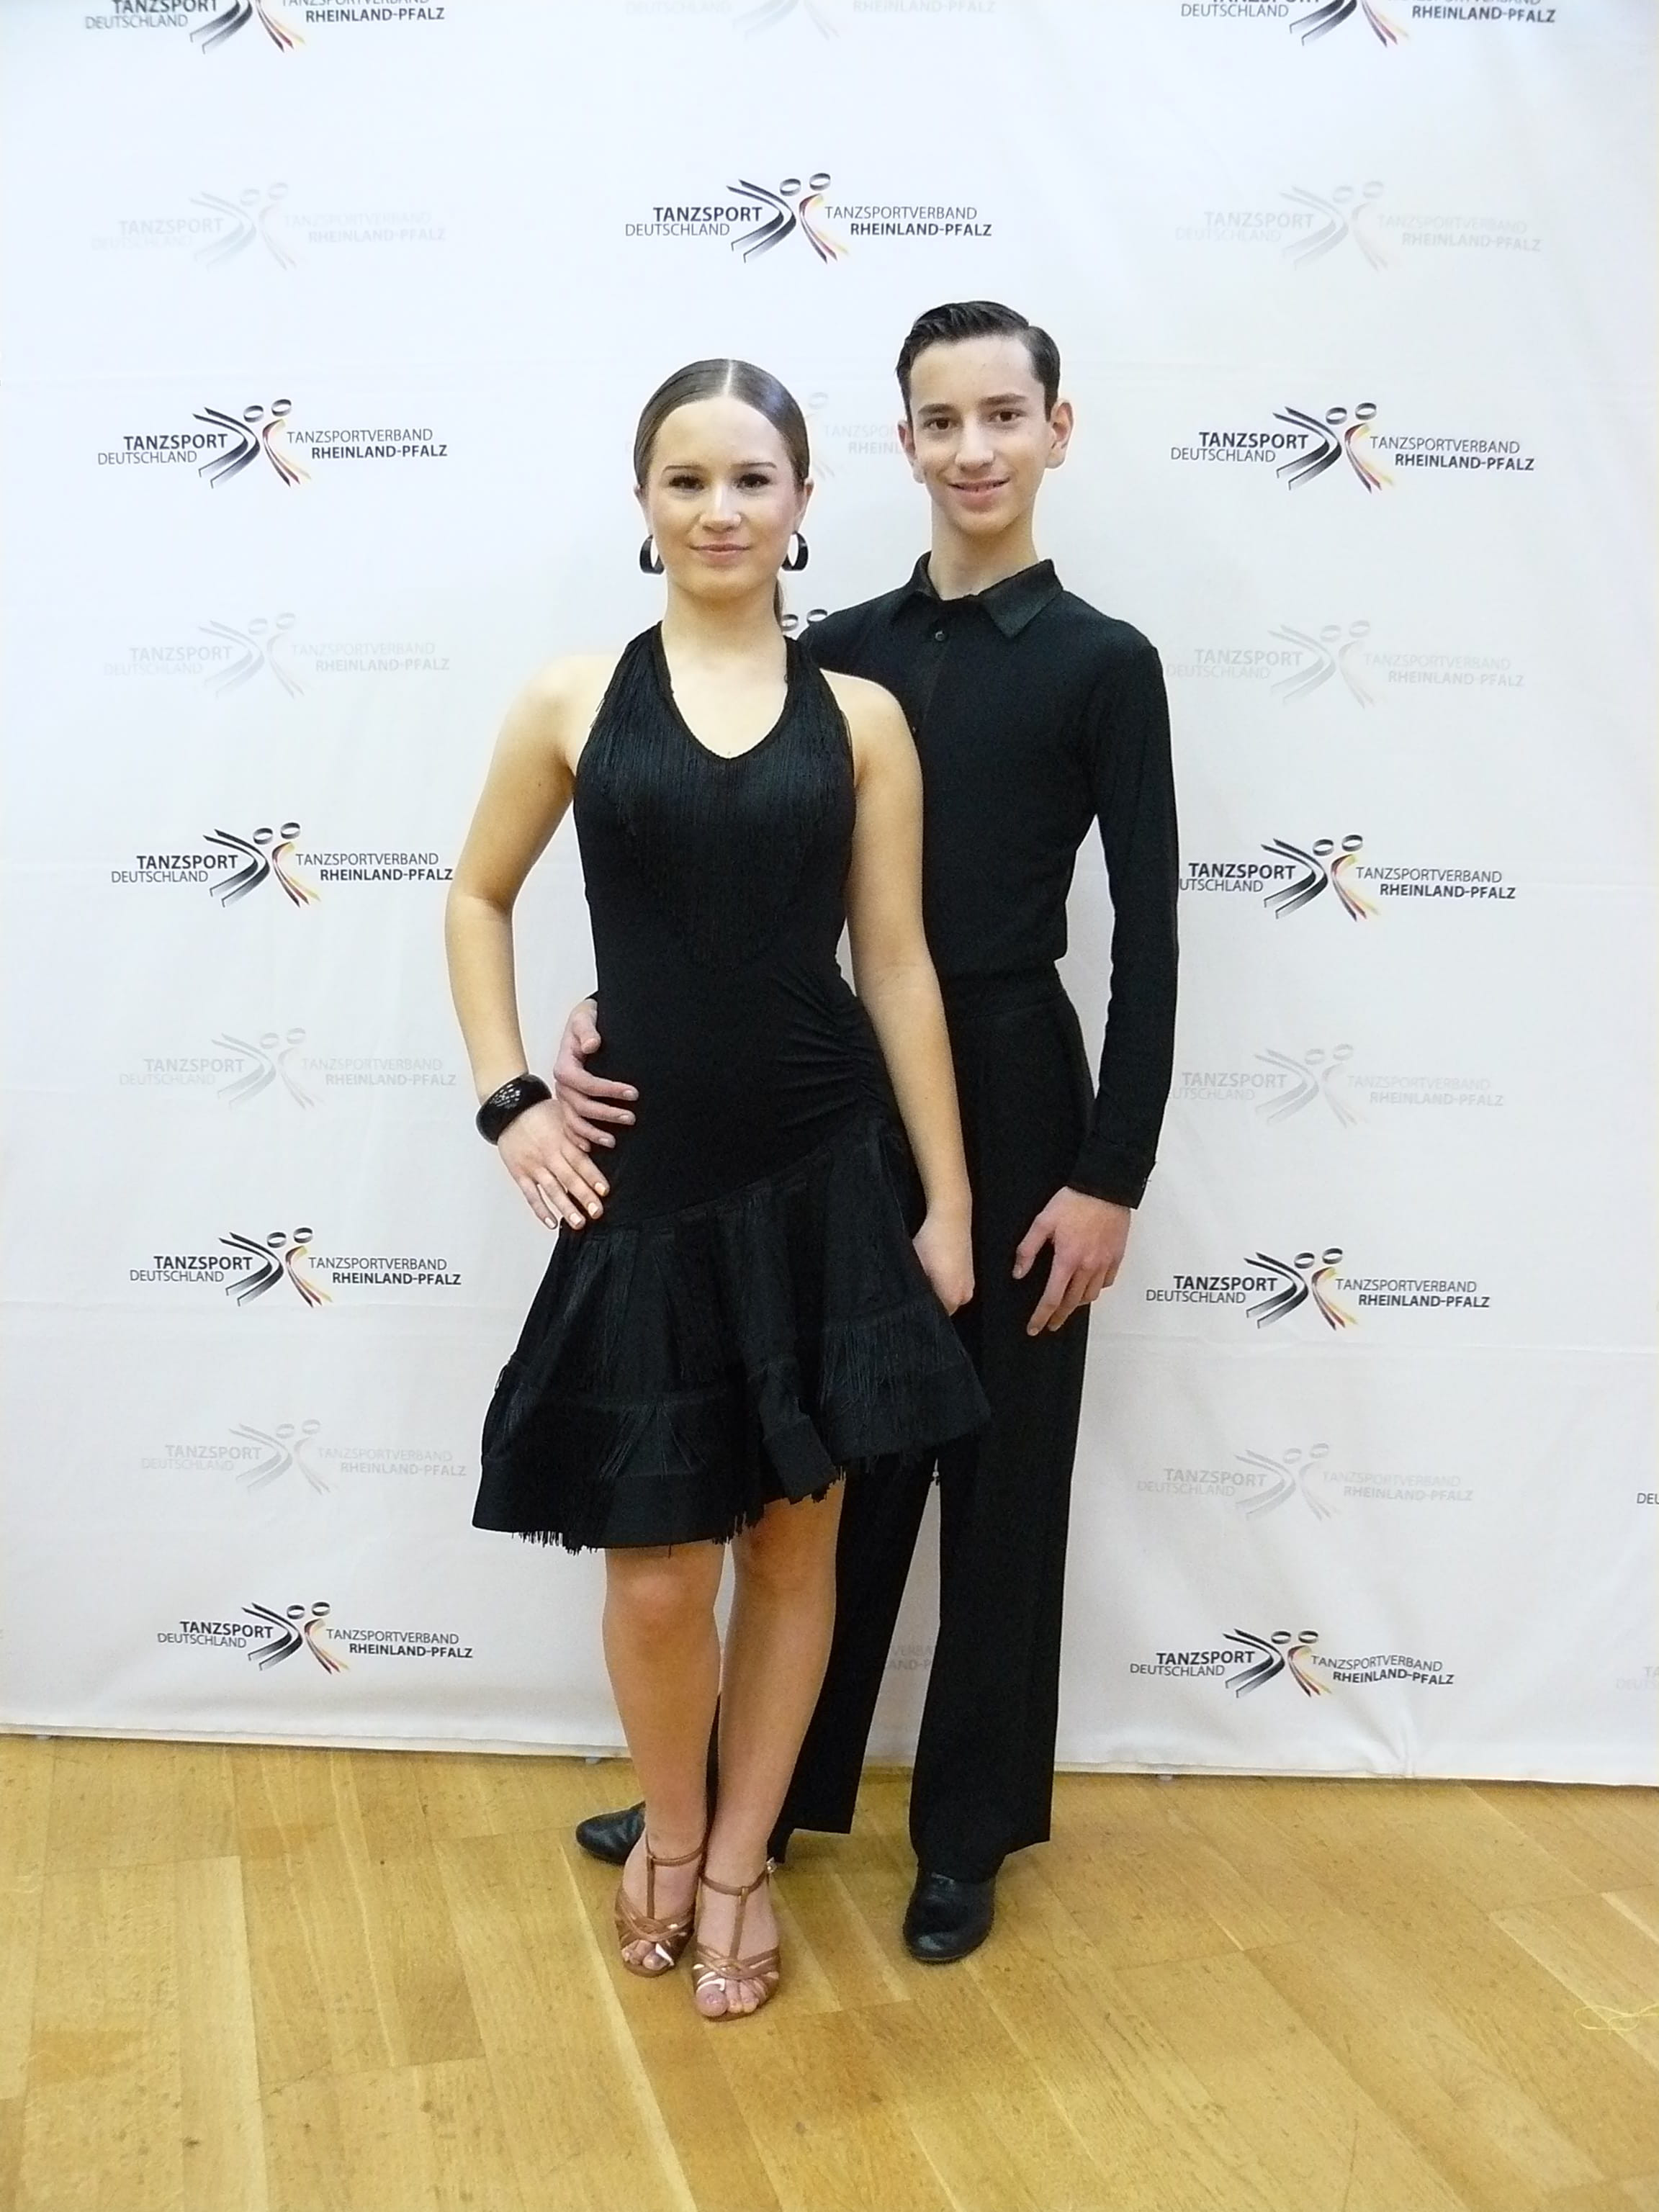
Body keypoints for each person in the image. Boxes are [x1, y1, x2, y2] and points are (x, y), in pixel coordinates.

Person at [562, 302, 1179, 1963]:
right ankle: (750, 1808)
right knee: (818, 1461)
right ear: (901, 444)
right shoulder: (836, 649)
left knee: (1002, 1468)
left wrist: (1110, 1172)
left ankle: (966, 1831)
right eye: (942, 420)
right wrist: (617, 1012)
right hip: (833, 1082)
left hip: (1020, 1080)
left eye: (1004, 415)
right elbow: (725, 860)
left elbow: (1154, 935)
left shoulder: (1105, 663)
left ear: (1057, 429)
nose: (974, 448)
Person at [445, 357, 987, 2020]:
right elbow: (475, 898)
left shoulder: (865, 720)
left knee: (795, 1554)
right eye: (687, 479)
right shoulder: (570, 699)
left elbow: (897, 967)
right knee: (661, 1572)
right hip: (647, 1192)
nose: (721, 508)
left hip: (823, 1179)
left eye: (753, 478)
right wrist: (511, 1101)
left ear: (804, 501)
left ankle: (743, 1863)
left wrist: (948, 1202)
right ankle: (671, 1831)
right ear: (644, 501)